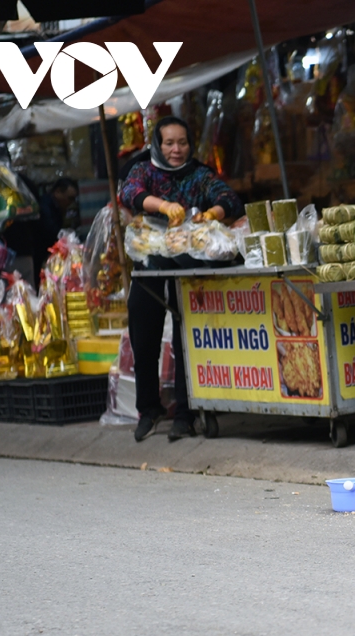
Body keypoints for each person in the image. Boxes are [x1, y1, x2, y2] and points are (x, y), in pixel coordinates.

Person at [119, 116, 243, 442]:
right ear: (158, 146)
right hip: (149, 261)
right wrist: (163, 206)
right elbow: (129, 193)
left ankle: (187, 412)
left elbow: (229, 199)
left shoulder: (199, 174)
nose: (176, 150)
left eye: (182, 142)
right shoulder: (144, 169)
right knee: (143, 334)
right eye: (169, 143)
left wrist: (209, 214)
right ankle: (149, 409)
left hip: (188, 264)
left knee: (186, 337)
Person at [3, 177, 79, 284]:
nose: (71, 203)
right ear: (57, 192)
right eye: (70, 198)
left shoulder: (54, 207)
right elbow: (50, 230)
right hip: (34, 252)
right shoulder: (45, 206)